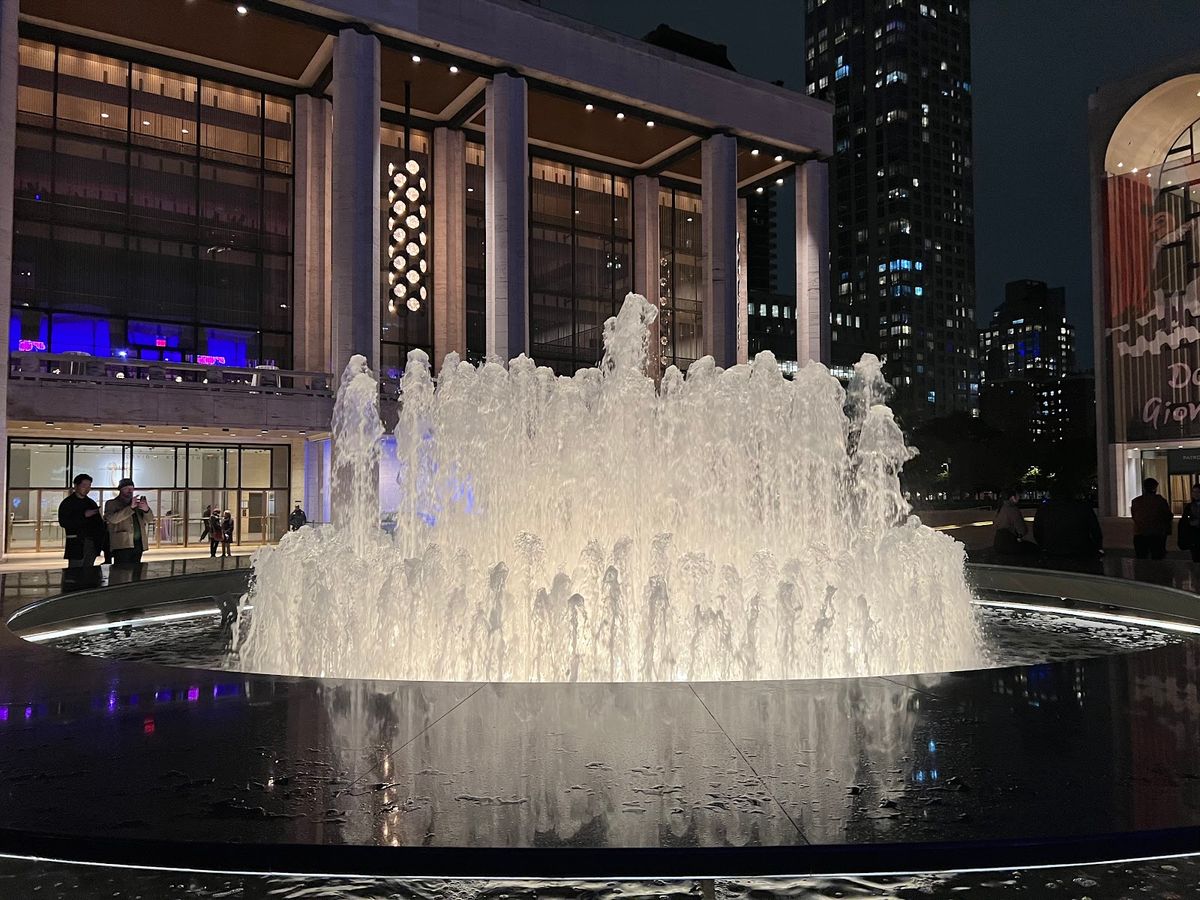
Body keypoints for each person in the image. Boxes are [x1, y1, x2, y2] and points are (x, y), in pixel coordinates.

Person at [1033, 481, 1104, 560]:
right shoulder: (1083, 507)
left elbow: (1037, 532)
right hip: (1081, 552)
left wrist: (1045, 546)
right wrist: (1098, 547)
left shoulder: (1044, 509)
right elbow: (1095, 531)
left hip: (1053, 552)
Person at [57, 473, 105, 568]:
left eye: (89, 486)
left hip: (91, 543)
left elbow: (99, 524)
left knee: (89, 569)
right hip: (76, 542)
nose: (87, 489)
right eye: (84, 485)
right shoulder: (68, 503)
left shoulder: (91, 503)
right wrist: (83, 516)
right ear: (76, 486)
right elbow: (64, 522)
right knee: (75, 570)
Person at [104, 478, 153, 565]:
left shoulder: (137, 504)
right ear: (120, 490)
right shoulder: (112, 503)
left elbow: (149, 520)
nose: (130, 491)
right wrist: (130, 508)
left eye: (132, 488)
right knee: (122, 570)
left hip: (138, 543)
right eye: (126, 488)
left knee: (137, 570)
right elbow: (113, 519)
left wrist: (146, 510)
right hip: (122, 544)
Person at [1131, 477, 1174, 560]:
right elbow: (1168, 516)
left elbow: (1134, 516)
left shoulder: (1136, 501)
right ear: (1154, 488)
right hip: (1157, 534)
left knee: (1141, 560)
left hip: (1140, 533)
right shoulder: (1160, 501)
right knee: (1157, 560)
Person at [993, 489, 1037, 556]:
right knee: (1034, 548)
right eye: (1018, 496)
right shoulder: (1013, 509)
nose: (1019, 497)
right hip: (1009, 544)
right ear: (1012, 497)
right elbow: (1022, 530)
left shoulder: (1000, 508)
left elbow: (995, 525)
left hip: (998, 542)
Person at [1177, 482, 1200, 562]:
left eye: (1198, 492)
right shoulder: (1189, 506)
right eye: (1194, 492)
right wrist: (1190, 522)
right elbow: (1184, 520)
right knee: (1196, 557)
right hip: (1194, 535)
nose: (1196, 494)